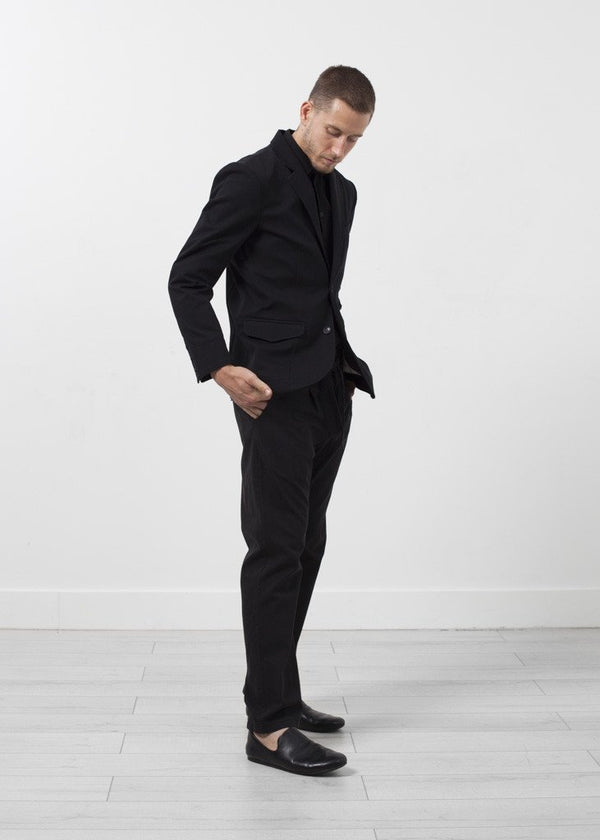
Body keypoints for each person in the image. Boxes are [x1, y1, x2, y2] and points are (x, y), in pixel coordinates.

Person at [168, 65, 376, 776]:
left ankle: (278, 691)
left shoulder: (343, 193)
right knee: (274, 551)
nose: (340, 149)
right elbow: (188, 278)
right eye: (333, 131)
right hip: (270, 394)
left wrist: (342, 371)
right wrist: (219, 366)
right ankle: (268, 727)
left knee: (307, 546)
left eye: (354, 140)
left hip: (329, 387)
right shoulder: (250, 178)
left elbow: (317, 293)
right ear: (306, 110)